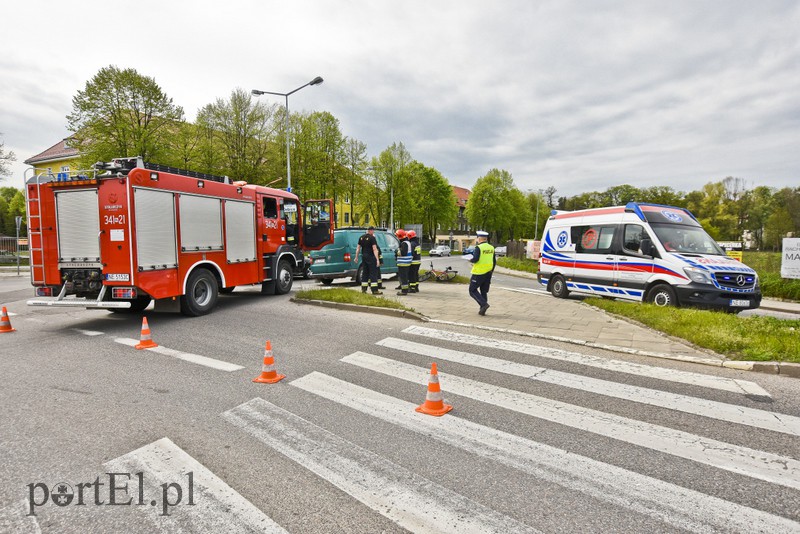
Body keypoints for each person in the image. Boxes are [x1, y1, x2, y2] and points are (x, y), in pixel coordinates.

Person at [468, 230, 496, 315]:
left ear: (479, 239)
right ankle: (482, 310)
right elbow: (494, 261)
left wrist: (470, 259)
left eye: (477, 238)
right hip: (488, 272)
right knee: (483, 291)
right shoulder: (491, 248)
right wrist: (491, 271)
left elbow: (475, 259)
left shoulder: (479, 248)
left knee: (472, 290)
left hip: (479, 272)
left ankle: (484, 304)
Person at [354, 226, 383, 295]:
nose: (373, 232)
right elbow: (375, 249)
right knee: (373, 273)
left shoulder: (361, 237)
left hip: (364, 257)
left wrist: (356, 257)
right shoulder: (372, 238)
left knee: (365, 273)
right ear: (371, 231)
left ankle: (364, 289)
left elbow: (358, 248)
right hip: (371, 257)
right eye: (373, 231)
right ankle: (374, 290)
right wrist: (377, 259)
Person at [395, 229, 413, 295]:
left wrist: (397, 252)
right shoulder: (407, 242)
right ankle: (405, 289)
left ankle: (404, 291)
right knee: (404, 277)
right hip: (406, 262)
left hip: (403, 263)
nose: (397, 237)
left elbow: (403, 253)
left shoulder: (404, 243)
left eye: (397, 236)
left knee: (403, 277)